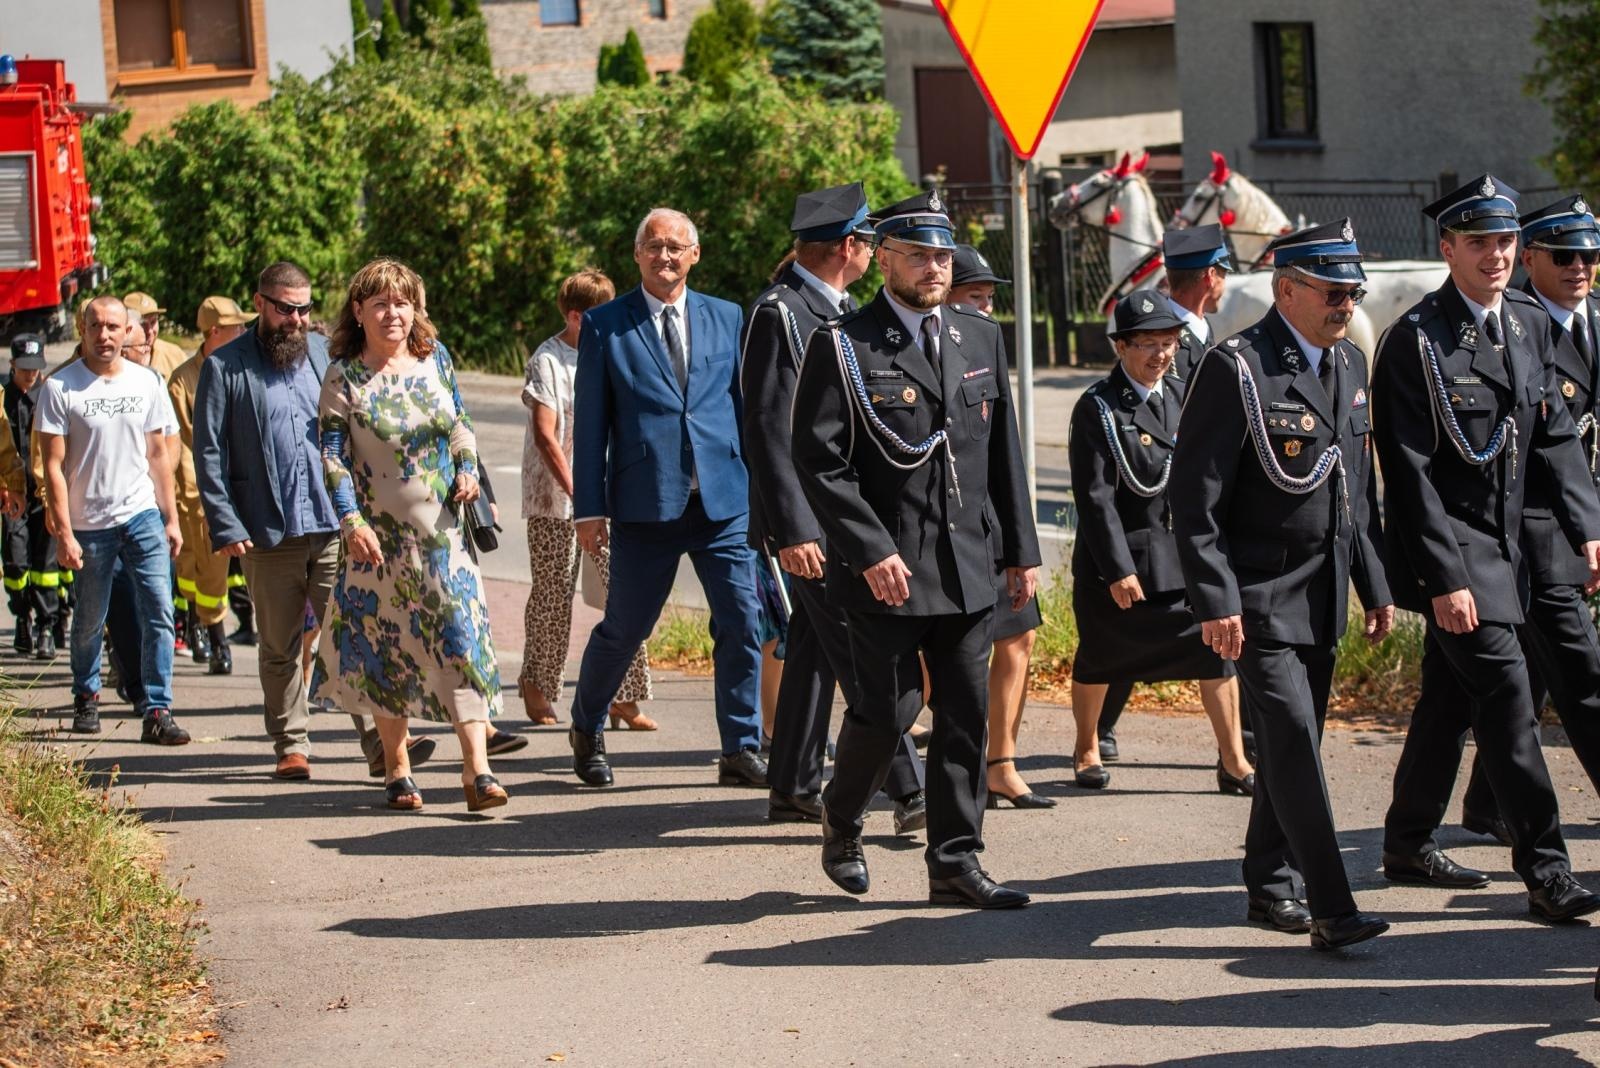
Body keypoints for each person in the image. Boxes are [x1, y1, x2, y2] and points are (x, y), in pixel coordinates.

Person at [791, 191, 1041, 909]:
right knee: (886, 712)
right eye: (920, 255)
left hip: (966, 564)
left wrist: (1019, 549)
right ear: (885, 259)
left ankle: (955, 862)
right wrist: (868, 548)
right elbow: (819, 460)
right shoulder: (844, 343)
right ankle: (841, 821)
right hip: (887, 571)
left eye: (943, 255)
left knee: (965, 713)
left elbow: (1002, 451)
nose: (937, 268)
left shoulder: (977, 335)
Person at [1375, 177, 1600, 923]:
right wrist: (1444, 577)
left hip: (1522, 549)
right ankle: (1547, 869)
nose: (1497, 255)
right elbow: (1406, 476)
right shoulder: (1416, 340)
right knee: (1507, 704)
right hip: (1459, 549)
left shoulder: (1529, 326)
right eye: (1480, 242)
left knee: (1448, 698)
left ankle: (1407, 840)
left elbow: (1556, 439)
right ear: (1448, 250)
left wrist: (1588, 526)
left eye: (1505, 241)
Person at [1171, 219, 1393, 950]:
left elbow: (1354, 492)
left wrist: (1376, 584)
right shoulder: (1238, 367)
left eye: (1353, 291)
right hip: (1257, 595)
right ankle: (1332, 906)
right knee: (1292, 741)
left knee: (1294, 744)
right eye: (1333, 290)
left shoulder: (1351, 365)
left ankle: (1268, 883)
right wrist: (1215, 598)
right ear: (1287, 288)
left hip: (1322, 591)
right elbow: (1194, 498)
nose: (1345, 303)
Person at [195, 261, 429, 781]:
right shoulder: (225, 367)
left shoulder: (328, 354)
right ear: (260, 304)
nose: (296, 320)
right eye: (285, 309)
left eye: (303, 309)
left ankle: (379, 744)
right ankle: (291, 742)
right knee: (279, 645)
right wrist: (226, 523)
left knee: (354, 634)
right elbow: (208, 454)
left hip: (335, 524)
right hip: (266, 528)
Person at [744, 183, 926, 829]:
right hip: (811, 526)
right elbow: (767, 428)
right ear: (849, 247)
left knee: (820, 649)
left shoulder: (832, 307)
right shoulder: (782, 312)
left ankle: (792, 783)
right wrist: (793, 529)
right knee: (861, 650)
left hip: (837, 517)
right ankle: (909, 789)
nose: (871, 252)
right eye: (869, 243)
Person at [567, 207, 767, 789]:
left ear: (695, 255)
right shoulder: (607, 324)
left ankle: (740, 745)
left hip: (723, 503)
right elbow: (592, 424)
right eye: (654, 247)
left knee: (742, 620)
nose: (665, 256)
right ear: (637, 254)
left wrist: (765, 495)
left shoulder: (727, 317)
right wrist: (589, 507)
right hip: (645, 503)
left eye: (676, 247)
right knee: (626, 628)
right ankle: (587, 724)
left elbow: (744, 408)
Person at [317, 258, 506, 813]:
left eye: (401, 302)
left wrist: (468, 466)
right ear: (359, 311)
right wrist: (351, 522)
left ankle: (479, 771)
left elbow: (460, 425)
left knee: (462, 641)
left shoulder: (434, 359)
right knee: (385, 649)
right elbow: (333, 456)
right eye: (379, 303)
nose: (392, 312)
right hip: (376, 539)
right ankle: (397, 770)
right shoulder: (343, 374)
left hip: (443, 536)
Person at [1449, 195, 1600, 846]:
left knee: (1522, 682)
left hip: (1580, 522)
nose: (1579, 267)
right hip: (1529, 528)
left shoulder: (1593, 323)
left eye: (1590, 255)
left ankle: (1483, 805)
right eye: (1564, 255)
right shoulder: (1517, 322)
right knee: (1584, 677)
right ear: (1530, 258)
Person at [1067, 289, 1254, 795]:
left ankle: (1234, 760)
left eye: (1169, 342)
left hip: (1178, 562)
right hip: (1120, 565)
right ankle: (1087, 747)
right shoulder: (1098, 408)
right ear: (1121, 347)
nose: (1162, 355)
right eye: (1148, 344)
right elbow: (1095, 498)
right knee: (1099, 657)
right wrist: (1117, 567)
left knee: (1215, 655)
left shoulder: (1182, 396)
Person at [38, 295, 189, 745]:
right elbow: (52, 466)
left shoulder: (147, 383)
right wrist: (64, 531)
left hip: (141, 514)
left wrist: (171, 518)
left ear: (129, 333)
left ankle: (158, 709)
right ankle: (86, 695)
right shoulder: (61, 388)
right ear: (83, 331)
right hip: (89, 525)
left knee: (160, 609)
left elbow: (159, 453)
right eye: (96, 326)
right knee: (89, 617)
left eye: (113, 327)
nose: (104, 335)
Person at [519, 269, 655, 730]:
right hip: (556, 501)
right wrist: (581, 495)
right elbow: (545, 436)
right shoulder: (549, 359)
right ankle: (537, 685)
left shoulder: (614, 352)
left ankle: (625, 694)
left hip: (612, 496)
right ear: (576, 317)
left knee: (626, 593)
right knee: (554, 595)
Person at [942, 244, 1053, 809]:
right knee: (946, 660)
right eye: (973, 296)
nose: (984, 308)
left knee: (1019, 636)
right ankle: (931, 761)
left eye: (989, 298)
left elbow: (1007, 456)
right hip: (944, 533)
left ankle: (1002, 761)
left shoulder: (988, 346)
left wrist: (1023, 549)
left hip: (992, 527)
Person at [170, 297, 255, 677]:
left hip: (241, 483)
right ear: (216, 332)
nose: (243, 332)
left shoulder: (243, 368)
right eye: (236, 327)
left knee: (218, 568)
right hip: (198, 489)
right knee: (201, 564)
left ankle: (208, 628)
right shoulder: (183, 381)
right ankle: (213, 634)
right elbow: (184, 446)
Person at [4, 335, 59, 658]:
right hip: (13, 495)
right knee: (15, 563)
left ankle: (46, 627)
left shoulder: (47, 396)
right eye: (24, 369)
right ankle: (22, 616)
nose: (31, 375)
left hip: (44, 493)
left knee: (46, 566)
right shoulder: (3, 400)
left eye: (35, 369)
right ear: (12, 365)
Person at [123, 291, 188, 381]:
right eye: (142, 324)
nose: (149, 331)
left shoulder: (175, 355)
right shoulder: (112, 359)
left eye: (153, 322)